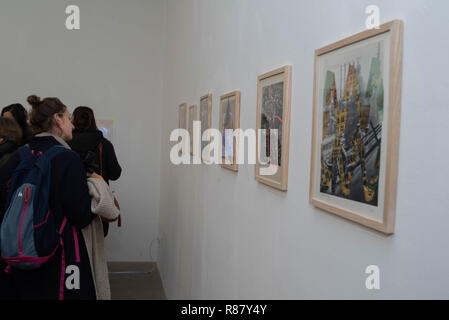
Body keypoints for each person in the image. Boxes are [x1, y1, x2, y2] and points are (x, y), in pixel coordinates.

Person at [0, 95, 96, 300]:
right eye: (68, 118)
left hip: (18, 254)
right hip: (58, 257)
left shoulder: (20, 154)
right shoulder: (68, 159)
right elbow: (79, 215)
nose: (72, 124)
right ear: (58, 119)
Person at [69, 106, 122, 237]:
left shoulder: (65, 143)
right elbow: (116, 174)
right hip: (99, 200)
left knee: (75, 242)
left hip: (72, 200)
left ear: (73, 120)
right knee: (98, 241)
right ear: (93, 120)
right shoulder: (104, 144)